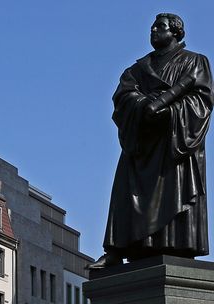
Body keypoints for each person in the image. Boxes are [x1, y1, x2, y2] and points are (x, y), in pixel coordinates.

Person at [91, 13, 213, 269]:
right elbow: (123, 97)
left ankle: (176, 246)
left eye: (160, 26)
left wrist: (169, 110)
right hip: (142, 140)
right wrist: (143, 104)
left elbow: (202, 100)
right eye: (153, 26)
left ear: (176, 32)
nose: (153, 30)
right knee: (125, 189)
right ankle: (118, 249)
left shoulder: (195, 62)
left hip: (174, 143)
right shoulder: (136, 69)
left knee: (173, 190)